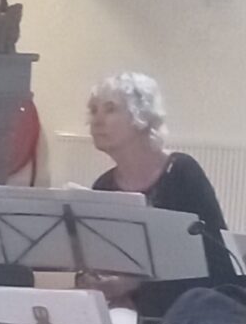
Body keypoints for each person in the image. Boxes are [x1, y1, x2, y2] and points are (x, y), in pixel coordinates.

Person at [87, 71, 236, 280]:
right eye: (93, 111)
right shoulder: (103, 187)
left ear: (142, 117)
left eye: (110, 110)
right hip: (121, 307)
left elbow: (219, 263)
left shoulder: (181, 172)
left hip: (186, 303)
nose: (96, 121)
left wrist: (136, 286)